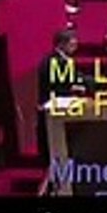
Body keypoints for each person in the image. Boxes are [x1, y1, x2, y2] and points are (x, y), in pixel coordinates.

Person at [36, 29, 93, 167]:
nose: (75, 47)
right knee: (55, 147)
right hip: (52, 108)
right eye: (72, 45)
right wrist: (74, 89)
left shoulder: (63, 60)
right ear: (61, 44)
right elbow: (54, 86)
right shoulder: (52, 62)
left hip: (58, 105)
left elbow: (77, 78)